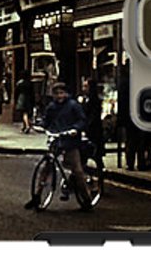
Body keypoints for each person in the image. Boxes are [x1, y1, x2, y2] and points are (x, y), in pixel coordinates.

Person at [25, 82, 93, 211]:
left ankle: (87, 199)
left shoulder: (73, 105)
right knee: (46, 168)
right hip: (56, 140)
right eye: (56, 93)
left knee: (77, 170)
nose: (59, 96)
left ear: (66, 93)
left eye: (61, 93)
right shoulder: (52, 107)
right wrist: (39, 125)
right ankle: (37, 196)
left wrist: (75, 129)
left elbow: (82, 120)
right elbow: (47, 121)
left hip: (70, 141)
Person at [79, 78, 105, 169]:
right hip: (86, 131)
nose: (83, 88)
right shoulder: (85, 99)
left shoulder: (95, 100)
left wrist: (86, 127)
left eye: (86, 86)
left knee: (97, 156)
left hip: (94, 132)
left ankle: (100, 176)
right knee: (83, 155)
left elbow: (93, 117)